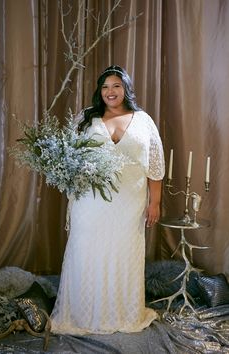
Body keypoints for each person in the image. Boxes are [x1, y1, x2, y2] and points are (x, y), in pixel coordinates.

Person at [50, 65, 165, 335]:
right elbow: (70, 157)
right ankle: (82, 313)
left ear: (125, 89)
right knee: (87, 252)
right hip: (89, 203)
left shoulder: (143, 120)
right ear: (99, 91)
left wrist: (155, 202)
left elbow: (156, 165)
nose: (110, 92)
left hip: (129, 203)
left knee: (123, 255)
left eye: (115, 86)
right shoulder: (86, 120)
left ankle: (122, 312)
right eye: (104, 87)